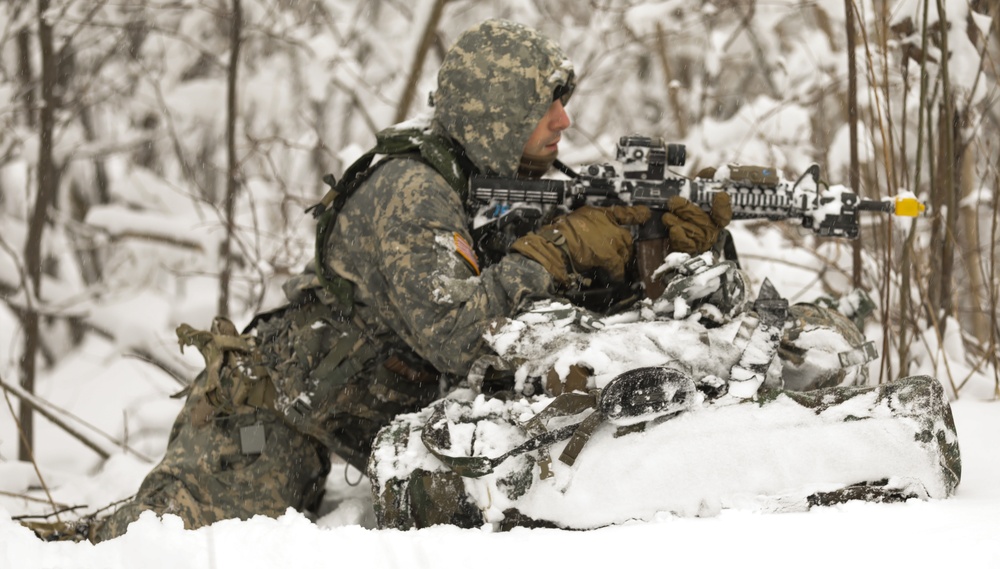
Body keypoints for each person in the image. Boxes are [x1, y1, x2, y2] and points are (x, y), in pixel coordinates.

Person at [70, 19, 731, 542]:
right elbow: (458, 336)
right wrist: (555, 250)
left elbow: (522, 303)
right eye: (545, 104)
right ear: (497, 113)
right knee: (154, 544)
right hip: (266, 420)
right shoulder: (415, 190)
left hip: (332, 422)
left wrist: (650, 244)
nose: (563, 120)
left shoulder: (484, 173)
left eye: (561, 101)